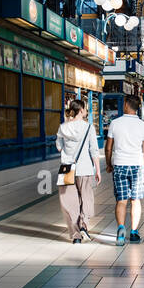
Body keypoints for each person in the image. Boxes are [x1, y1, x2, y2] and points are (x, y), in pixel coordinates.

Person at [105, 94, 144, 245]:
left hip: (120, 164)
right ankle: (133, 232)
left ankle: (120, 230)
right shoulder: (142, 125)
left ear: (125, 104)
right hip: (137, 165)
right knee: (135, 200)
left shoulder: (115, 123)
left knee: (121, 200)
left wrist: (108, 164)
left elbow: (108, 148)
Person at [54, 98, 101, 243]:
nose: (86, 111)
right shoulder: (89, 127)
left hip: (67, 169)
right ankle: (83, 226)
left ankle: (76, 236)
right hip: (85, 169)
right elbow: (94, 150)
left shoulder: (63, 127)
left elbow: (59, 148)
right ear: (81, 110)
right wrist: (98, 170)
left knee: (69, 202)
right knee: (86, 198)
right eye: (85, 109)